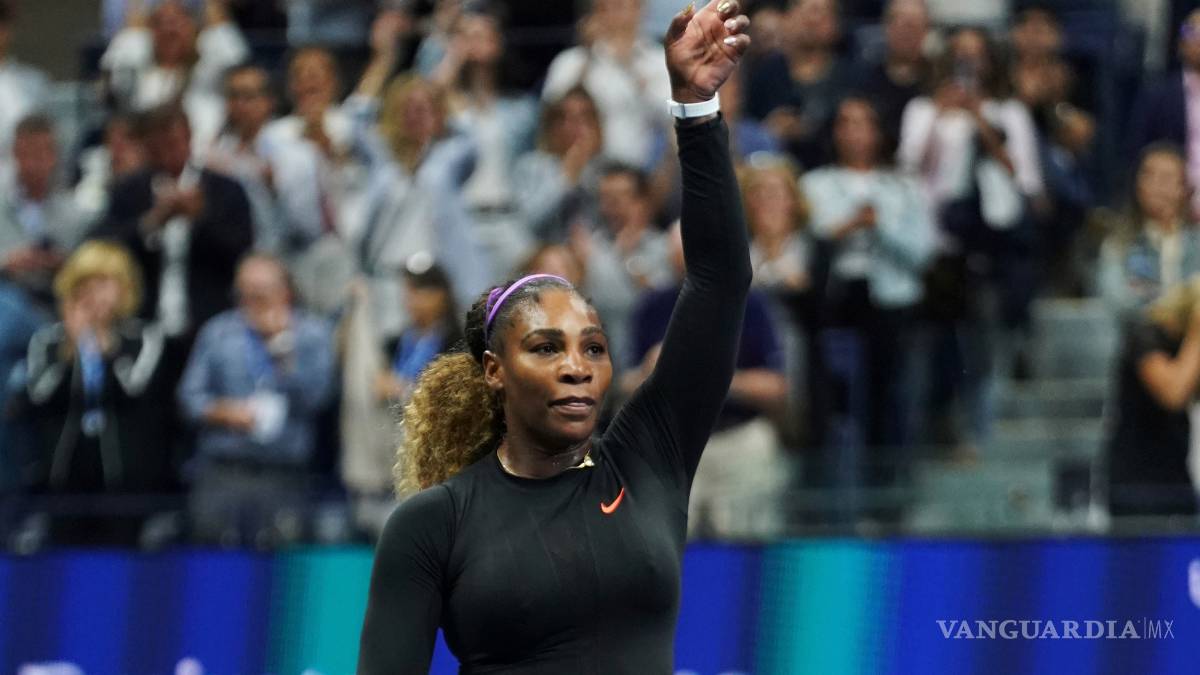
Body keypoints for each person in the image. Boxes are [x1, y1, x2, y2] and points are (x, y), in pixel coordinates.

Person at [358, 1, 753, 670]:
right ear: (494, 369)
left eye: (593, 348)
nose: (577, 366)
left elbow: (720, 280)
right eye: (546, 347)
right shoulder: (433, 523)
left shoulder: (648, 459)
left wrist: (694, 108)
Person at [622, 221, 788, 539]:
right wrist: (651, 374)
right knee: (663, 544)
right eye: (681, 249)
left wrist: (713, 375)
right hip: (673, 444)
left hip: (739, 439)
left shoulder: (751, 305)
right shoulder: (651, 307)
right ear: (670, 255)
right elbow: (623, 386)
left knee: (748, 547)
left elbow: (777, 388)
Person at [178, 253, 335, 545]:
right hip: (223, 467)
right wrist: (224, 412)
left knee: (282, 556)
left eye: (262, 293)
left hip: (284, 471)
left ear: (286, 291)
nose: (252, 301)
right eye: (245, 292)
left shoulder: (313, 334)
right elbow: (189, 398)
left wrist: (282, 350)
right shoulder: (218, 332)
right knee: (213, 555)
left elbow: (318, 399)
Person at [20, 240, 170, 546]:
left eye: (104, 283)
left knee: (120, 563)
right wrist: (71, 349)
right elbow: (40, 398)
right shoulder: (48, 342)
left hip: (125, 477)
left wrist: (106, 345)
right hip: (63, 474)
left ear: (125, 288)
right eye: (85, 283)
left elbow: (134, 392)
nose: (93, 293)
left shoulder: (143, 338)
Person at [205, 64, 325, 257]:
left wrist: (275, 190)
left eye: (248, 96)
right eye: (233, 96)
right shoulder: (214, 157)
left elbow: (310, 229)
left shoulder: (298, 155)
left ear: (269, 101)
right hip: (228, 258)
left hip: (287, 257)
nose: (240, 105)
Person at [1107, 278, 1200, 518]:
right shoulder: (1146, 335)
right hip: (1137, 481)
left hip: (1175, 474)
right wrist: (1198, 334)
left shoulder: (1185, 346)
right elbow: (1173, 394)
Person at [101, 0, 249, 151]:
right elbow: (130, 39)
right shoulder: (139, 72)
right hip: (148, 158)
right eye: (160, 23)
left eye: (178, 22)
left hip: (208, 155)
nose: (169, 29)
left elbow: (226, 40)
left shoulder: (209, 71)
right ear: (150, 32)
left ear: (194, 28)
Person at [541, 0, 673, 169]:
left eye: (619, 6)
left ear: (640, 10)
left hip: (640, 174)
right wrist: (587, 54)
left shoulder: (659, 60)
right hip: (581, 172)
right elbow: (551, 117)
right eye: (603, 7)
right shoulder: (570, 61)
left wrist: (628, 64)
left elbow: (671, 115)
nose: (612, 14)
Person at [745, 0, 856, 170]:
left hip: (833, 169)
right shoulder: (765, 71)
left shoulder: (850, 76)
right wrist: (768, 130)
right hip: (771, 167)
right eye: (806, 11)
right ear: (787, 18)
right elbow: (745, 123)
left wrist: (806, 129)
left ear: (836, 24)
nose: (813, 20)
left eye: (822, 13)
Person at [0, 116, 98, 308]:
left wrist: (62, 262)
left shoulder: (76, 214)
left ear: (54, 156)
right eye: (27, 153)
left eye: (41, 153)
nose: (34, 163)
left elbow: (89, 267)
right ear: (15, 154)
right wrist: (7, 263)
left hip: (56, 303)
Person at [1099, 144, 1200, 322]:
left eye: (1165, 178)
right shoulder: (1120, 243)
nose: (1155, 185)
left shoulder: (1196, 241)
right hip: (1141, 329)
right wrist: (1162, 311)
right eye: (1147, 175)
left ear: (1183, 188)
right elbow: (1115, 299)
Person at [512, 87, 607, 242]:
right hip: (547, 250)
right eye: (566, 119)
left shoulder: (607, 169)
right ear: (553, 127)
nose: (576, 127)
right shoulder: (531, 166)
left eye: (584, 118)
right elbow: (527, 223)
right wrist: (565, 179)